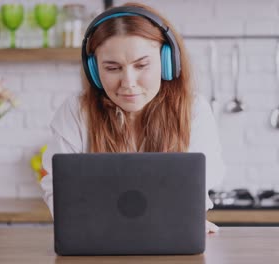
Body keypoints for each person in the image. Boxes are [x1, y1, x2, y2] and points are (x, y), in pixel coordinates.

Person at [40, 2, 226, 233]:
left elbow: (200, 183)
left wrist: (186, 220)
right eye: (112, 68)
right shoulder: (76, 112)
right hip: (96, 237)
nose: (128, 83)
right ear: (94, 71)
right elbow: (58, 187)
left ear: (167, 62)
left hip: (170, 236)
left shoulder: (193, 109)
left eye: (141, 65)